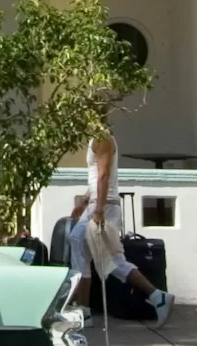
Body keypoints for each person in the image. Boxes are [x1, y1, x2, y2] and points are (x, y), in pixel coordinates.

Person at [63, 129, 172, 328]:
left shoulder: (102, 137)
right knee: (80, 244)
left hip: (105, 207)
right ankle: (84, 311)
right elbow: (98, 178)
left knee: (111, 260)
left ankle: (157, 297)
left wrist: (98, 209)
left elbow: (104, 175)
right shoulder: (96, 138)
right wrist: (86, 200)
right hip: (98, 204)